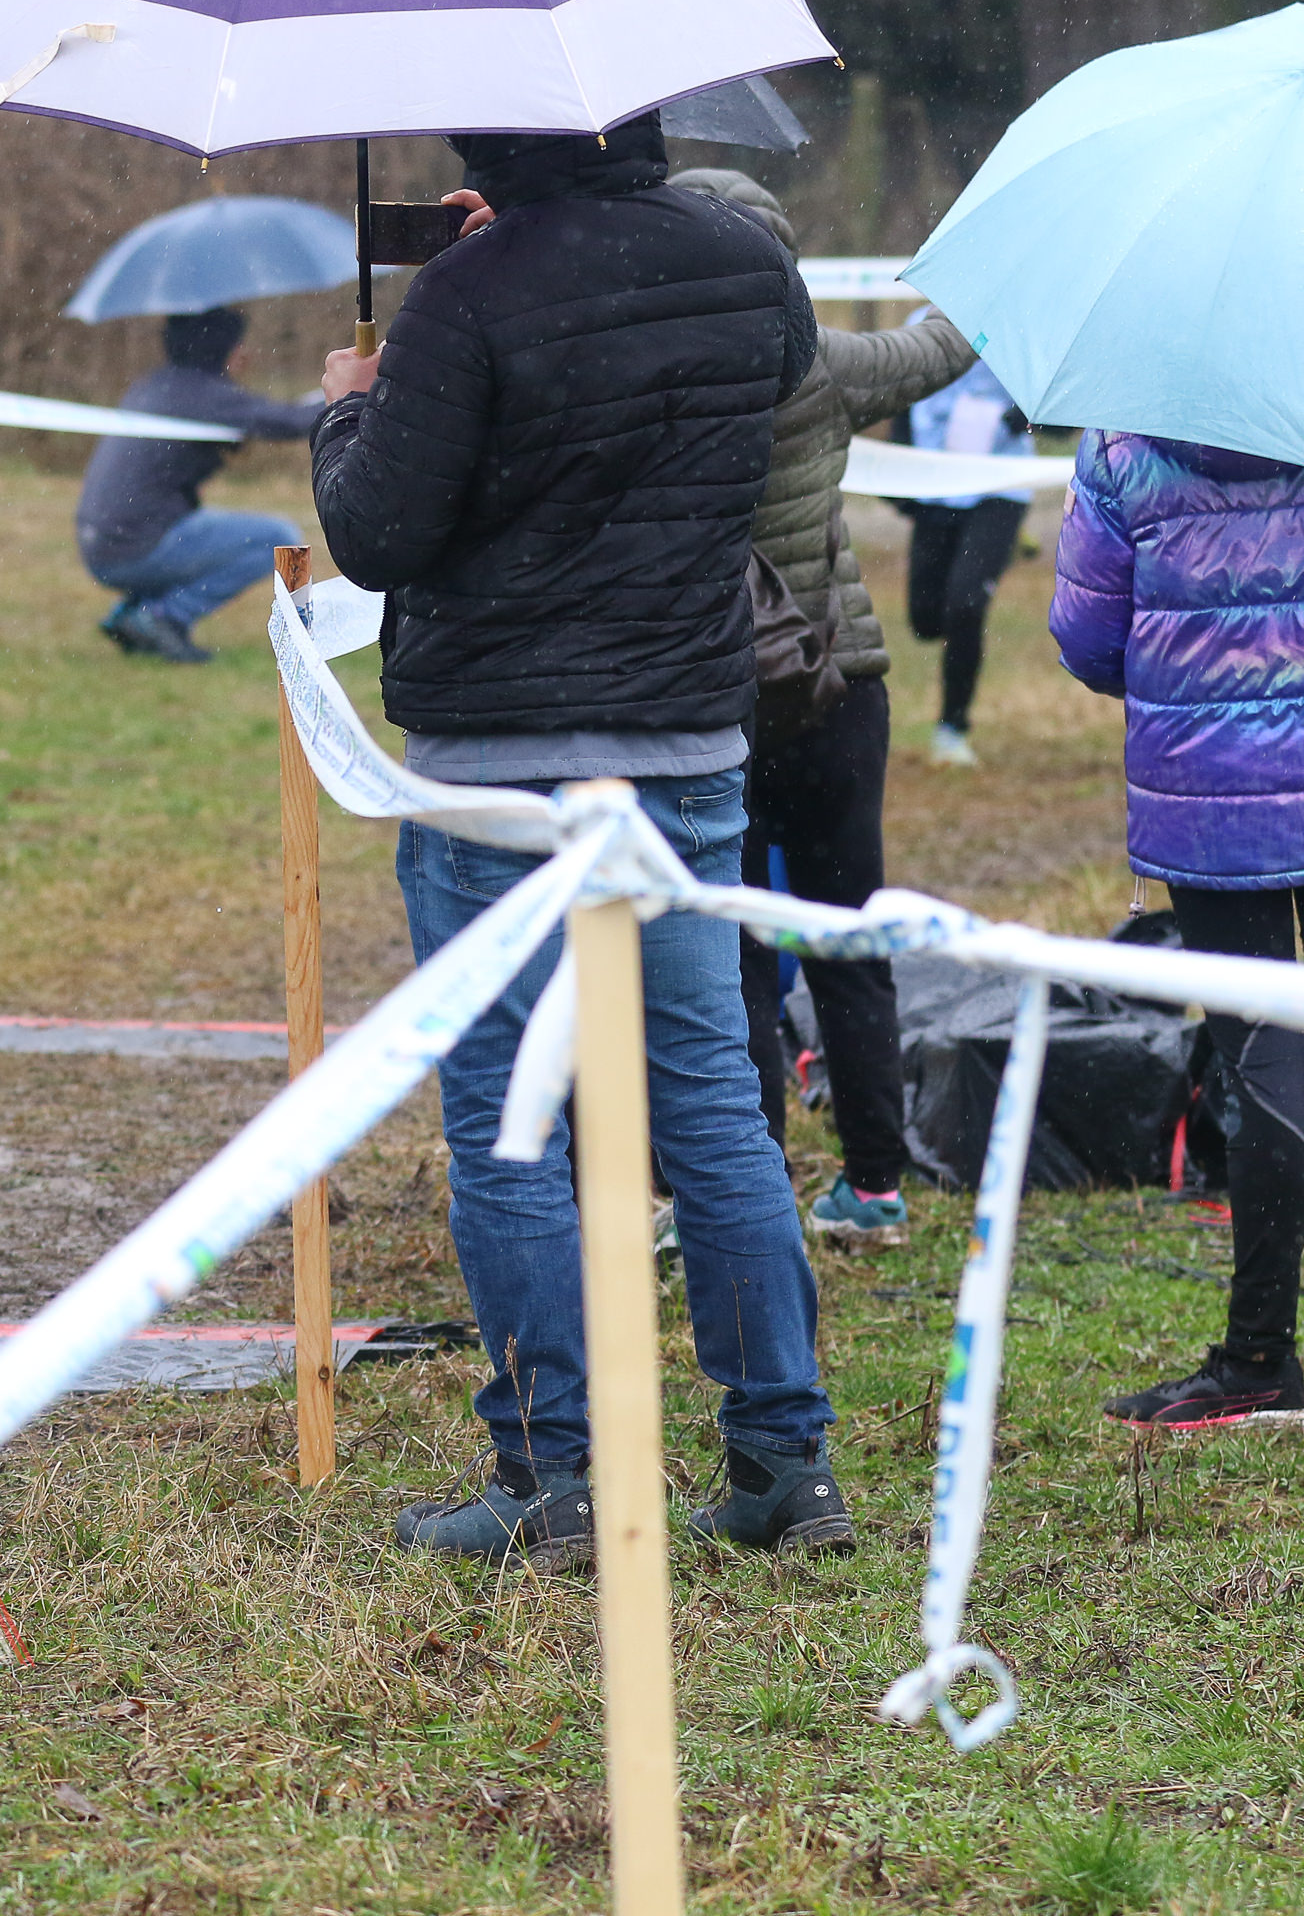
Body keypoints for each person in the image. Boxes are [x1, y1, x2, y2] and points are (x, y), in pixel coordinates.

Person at [311, 112, 848, 1565]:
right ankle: (786, 1464)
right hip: (686, 749)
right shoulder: (746, 259)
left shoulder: (463, 295)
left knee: (510, 1129)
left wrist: (352, 408)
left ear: (486, 136)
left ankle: (553, 1474)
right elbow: (765, 393)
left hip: (499, 768)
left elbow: (378, 532)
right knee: (713, 1109)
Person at [672, 168, 978, 1246]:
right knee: (851, 943)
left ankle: (748, 1188)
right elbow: (940, 350)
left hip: (713, 702)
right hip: (840, 688)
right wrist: (987, 277)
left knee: (734, 956)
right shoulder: (827, 368)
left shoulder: (657, 387)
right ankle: (876, 1184)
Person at [1054, 431, 1304, 1429]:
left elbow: (1087, 637)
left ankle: (1258, 1355)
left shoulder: (1123, 439)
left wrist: (1193, 671)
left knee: (1263, 1065)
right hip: (1215, 794)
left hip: (1209, 790)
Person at [73, 306, 322, 664]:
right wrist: (347, 391)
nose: (246, 353)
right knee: (278, 538)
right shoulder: (205, 394)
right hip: (134, 548)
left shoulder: (154, 385)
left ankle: (130, 614)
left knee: (206, 526)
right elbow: (292, 422)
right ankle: (161, 617)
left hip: (100, 545)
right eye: (238, 344)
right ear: (221, 348)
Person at [900, 336, 1037, 767]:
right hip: (935, 484)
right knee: (925, 620)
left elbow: (1058, 408)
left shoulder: (1018, 334)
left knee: (965, 605)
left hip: (1000, 484)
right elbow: (898, 400)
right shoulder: (917, 328)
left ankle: (952, 728)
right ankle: (979, 574)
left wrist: (1024, 416)